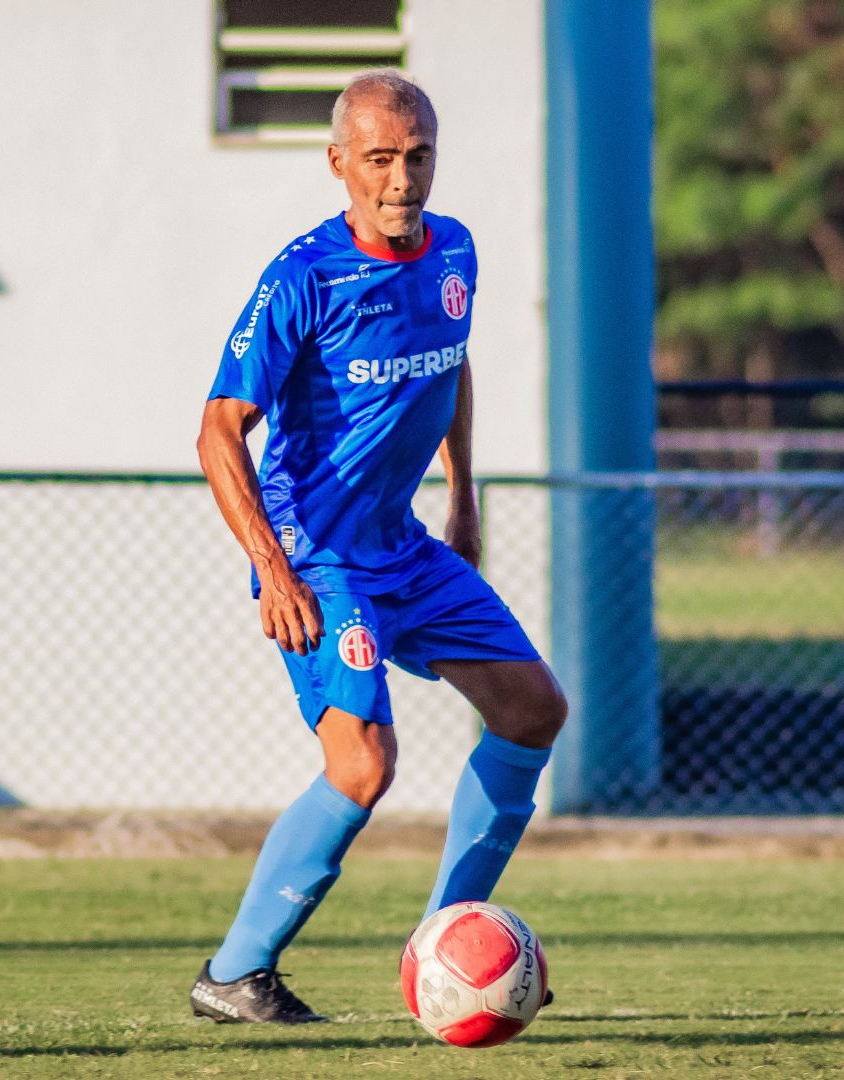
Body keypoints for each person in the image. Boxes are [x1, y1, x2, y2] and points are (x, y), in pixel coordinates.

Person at [190, 69, 567, 1024]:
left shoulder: (456, 252)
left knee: (532, 710)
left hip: (406, 547)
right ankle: (236, 973)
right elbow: (217, 429)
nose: (403, 179)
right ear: (338, 165)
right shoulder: (303, 278)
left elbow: (452, 364)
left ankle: (444, 948)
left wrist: (465, 501)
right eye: (381, 159)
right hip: (319, 554)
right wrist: (272, 568)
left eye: (419, 156)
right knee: (363, 764)